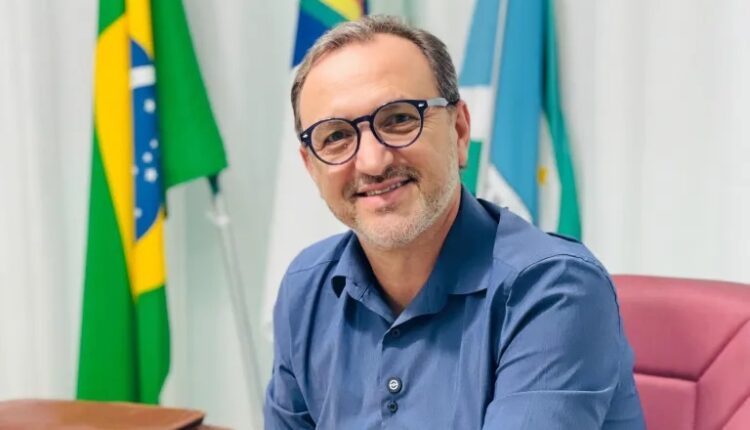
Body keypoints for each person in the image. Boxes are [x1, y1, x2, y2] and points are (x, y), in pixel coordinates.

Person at [264, 15, 645, 429]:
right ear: (311, 166)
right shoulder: (306, 288)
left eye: (399, 119)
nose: (372, 162)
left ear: (460, 131)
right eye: (336, 136)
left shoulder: (554, 289)